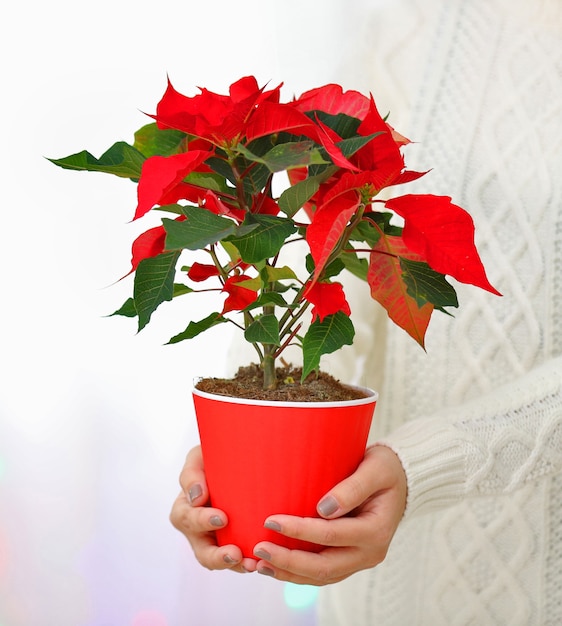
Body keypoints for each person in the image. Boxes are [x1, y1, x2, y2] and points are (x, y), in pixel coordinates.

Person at [170, 0, 562, 623]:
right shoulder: (412, 21)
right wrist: (254, 421)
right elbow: (332, 238)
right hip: (370, 571)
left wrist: (426, 464)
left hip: (537, 571)